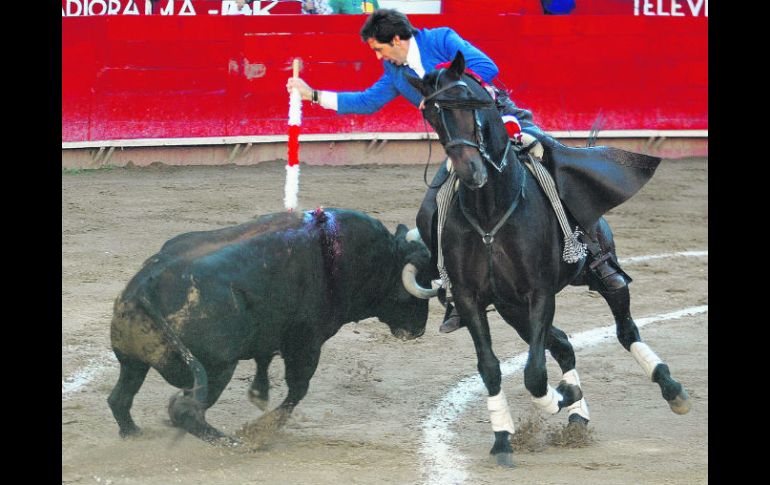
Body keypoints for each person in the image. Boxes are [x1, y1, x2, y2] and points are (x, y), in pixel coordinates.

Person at [285, 9, 628, 334]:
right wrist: (312, 95)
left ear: (396, 41)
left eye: (378, 49)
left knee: (556, 165)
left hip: (499, 124)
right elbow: (366, 102)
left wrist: (440, 90)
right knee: (428, 214)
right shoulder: (397, 73)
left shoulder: (442, 40)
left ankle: (598, 257)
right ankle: (453, 288)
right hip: (463, 147)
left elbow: (486, 67)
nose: (378, 57)